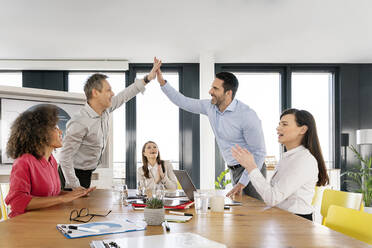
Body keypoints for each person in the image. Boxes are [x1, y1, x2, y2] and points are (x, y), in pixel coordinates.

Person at [156, 64, 266, 199]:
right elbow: (183, 101)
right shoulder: (210, 107)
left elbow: (259, 153)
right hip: (233, 169)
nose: (210, 91)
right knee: (240, 212)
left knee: (255, 214)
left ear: (228, 93)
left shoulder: (247, 115)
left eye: (215, 88)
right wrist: (162, 82)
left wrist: (243, 182)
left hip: (252, 170)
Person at [59, 59, 162, 189]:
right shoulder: (80, 122)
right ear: (95, 93)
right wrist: (75, 186)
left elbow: (124, 95)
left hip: (86, 173)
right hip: (70, 174)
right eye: (108, 90)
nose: (112, 93)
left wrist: (148, 78)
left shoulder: (105, 109)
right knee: (70, 209)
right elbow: (64, 158)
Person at [231, 108, 329, 221]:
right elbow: (273, 195)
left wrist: (251, 167)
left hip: (297, 222)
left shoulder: (304, 160)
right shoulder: (288, 157)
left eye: (284, 124)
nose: (278, 128)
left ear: (302, 129)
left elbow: (273, 198)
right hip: (281, 217)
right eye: (279, 124)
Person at [5, 105, 94, 218]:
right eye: (55, 128)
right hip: (24, 224)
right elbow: (17, 201)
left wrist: (75, 194)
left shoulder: (52, 161)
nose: (60, 132)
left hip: (45, 219)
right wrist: (62, 198)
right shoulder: (23, 162)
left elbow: (51, 194)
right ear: (40, 132)